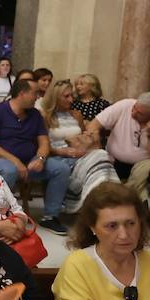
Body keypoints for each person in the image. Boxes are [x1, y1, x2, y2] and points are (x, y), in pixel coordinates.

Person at [85, 91, 150, 258]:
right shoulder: (125, 105)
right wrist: (96, 141)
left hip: (144, 163)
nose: (133, 112)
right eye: (135, 108)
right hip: (115, 159)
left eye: (139, 113)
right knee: (98, 166)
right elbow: (94, 125)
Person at [0, 79, 71, 234]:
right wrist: (15, 161)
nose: (37, 97)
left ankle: (50, 217)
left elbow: (44, 142)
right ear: (22, 93)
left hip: (30, 162)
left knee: (60, 168)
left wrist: (40, 159)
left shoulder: (35, 115)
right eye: (34, 93)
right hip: (0, 160)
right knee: (9, 170)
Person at [42, 79, 117, 214]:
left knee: (102, 155)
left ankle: (106, 200)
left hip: (80, 155)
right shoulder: (44, 116)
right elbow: (42, 144)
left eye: (72, 96)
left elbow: (83, 136)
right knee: (99, 162)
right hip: (57, 157)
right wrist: (62, 152)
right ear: (55, 97)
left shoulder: (76, 114)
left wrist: (91, 139)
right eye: (66, 96)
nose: (71, 100)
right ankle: (105, 203)